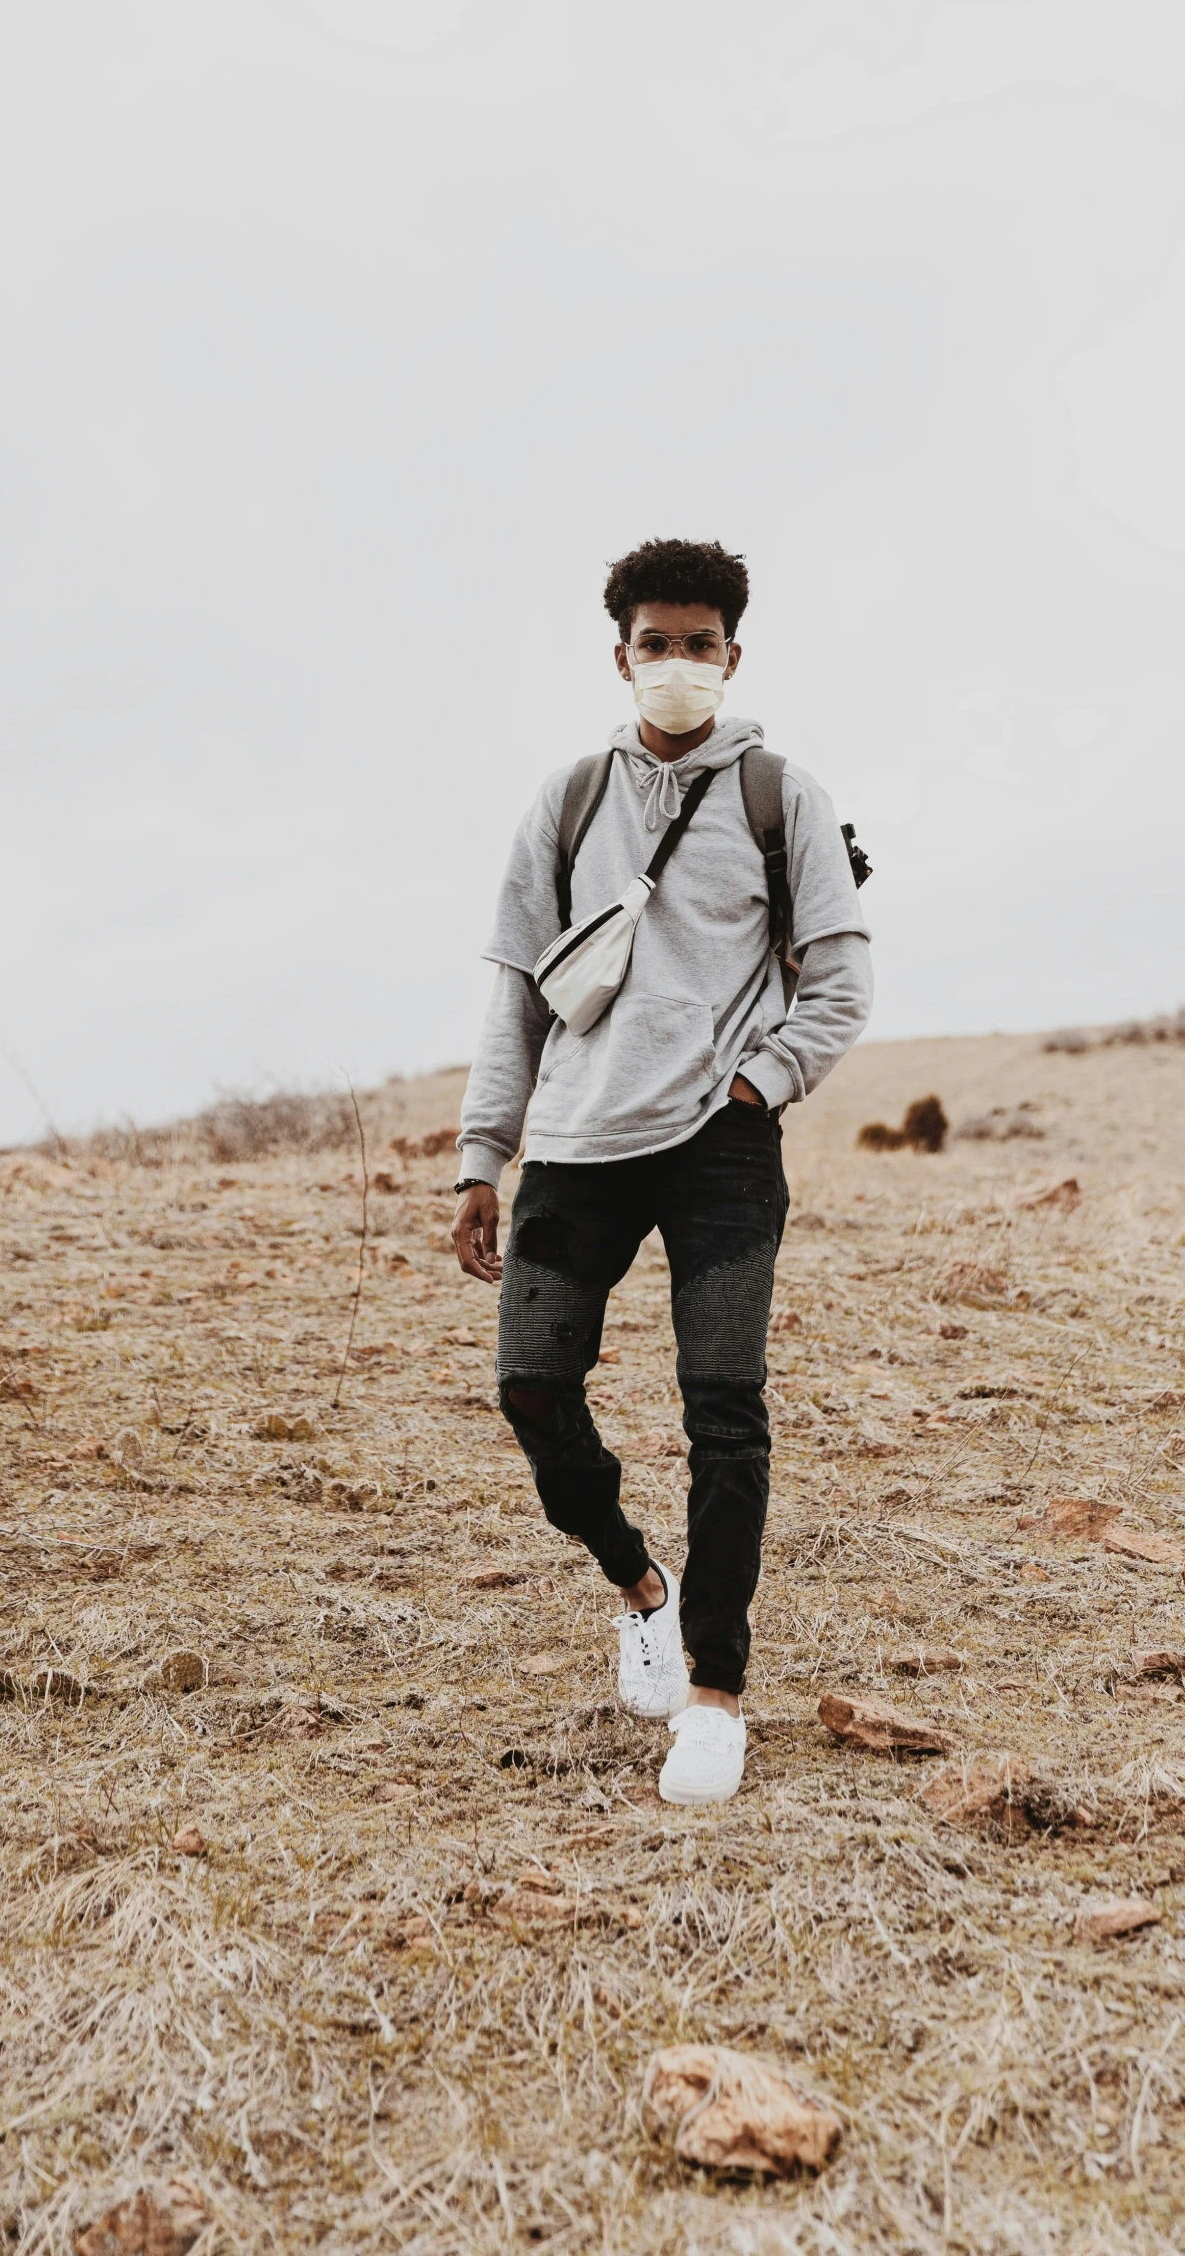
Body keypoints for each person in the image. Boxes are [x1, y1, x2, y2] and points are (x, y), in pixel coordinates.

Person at [451, 538, 872, 1804]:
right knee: (531, 1386)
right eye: (655, 643)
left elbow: (842, 984)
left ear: (731, 656)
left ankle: (714, 1692)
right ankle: (641, 1587)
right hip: (575, 1145)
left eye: (700, 643)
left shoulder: (779, 795)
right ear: (620, 655)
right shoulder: (568, 798)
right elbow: (516, 994)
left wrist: (757, 1083)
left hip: (719, 1148)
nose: (677, 663)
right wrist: (484, 1153)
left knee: (723, 1412)